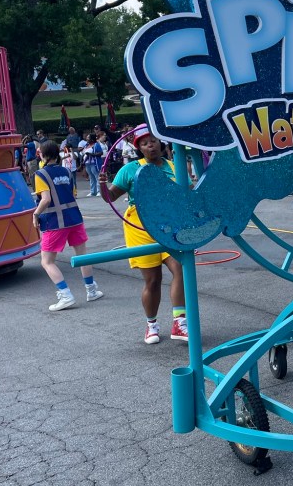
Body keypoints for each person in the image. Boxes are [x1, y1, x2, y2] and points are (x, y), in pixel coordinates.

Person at [99, 124, 188, 344]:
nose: (151, 146)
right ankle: (151, 325)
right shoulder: (130, 170)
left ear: (161, 143)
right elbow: (111, 197)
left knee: (180, 268)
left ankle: (180, 321)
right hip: (139, 226)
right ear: (139, 147)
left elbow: (184, 196)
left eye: (154, 141)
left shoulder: (174, 166)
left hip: (168, 225)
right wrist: (103, 186)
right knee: (153, 279)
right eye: (145, 143)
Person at [33, 140, 104, 311]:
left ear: (42, 154)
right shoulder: (66, 171)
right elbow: (72, 194)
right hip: (74, 218)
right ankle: (91, 290)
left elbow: (46, 199)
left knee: (47, 261)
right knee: (82, 256)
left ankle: (65, 295)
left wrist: (35, 213)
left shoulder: (40, 174)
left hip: (54, 222)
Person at [84, 130, 106, 197]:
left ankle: (99, 191)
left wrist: (92, 154)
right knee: (91, 177)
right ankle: (93, 191)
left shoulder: (96, 145)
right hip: (88, 163)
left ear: (92, 139)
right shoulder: (87, 145)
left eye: (88, 138)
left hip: (94, 163)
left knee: (97, 176)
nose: (87, 139)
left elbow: (100, 153)